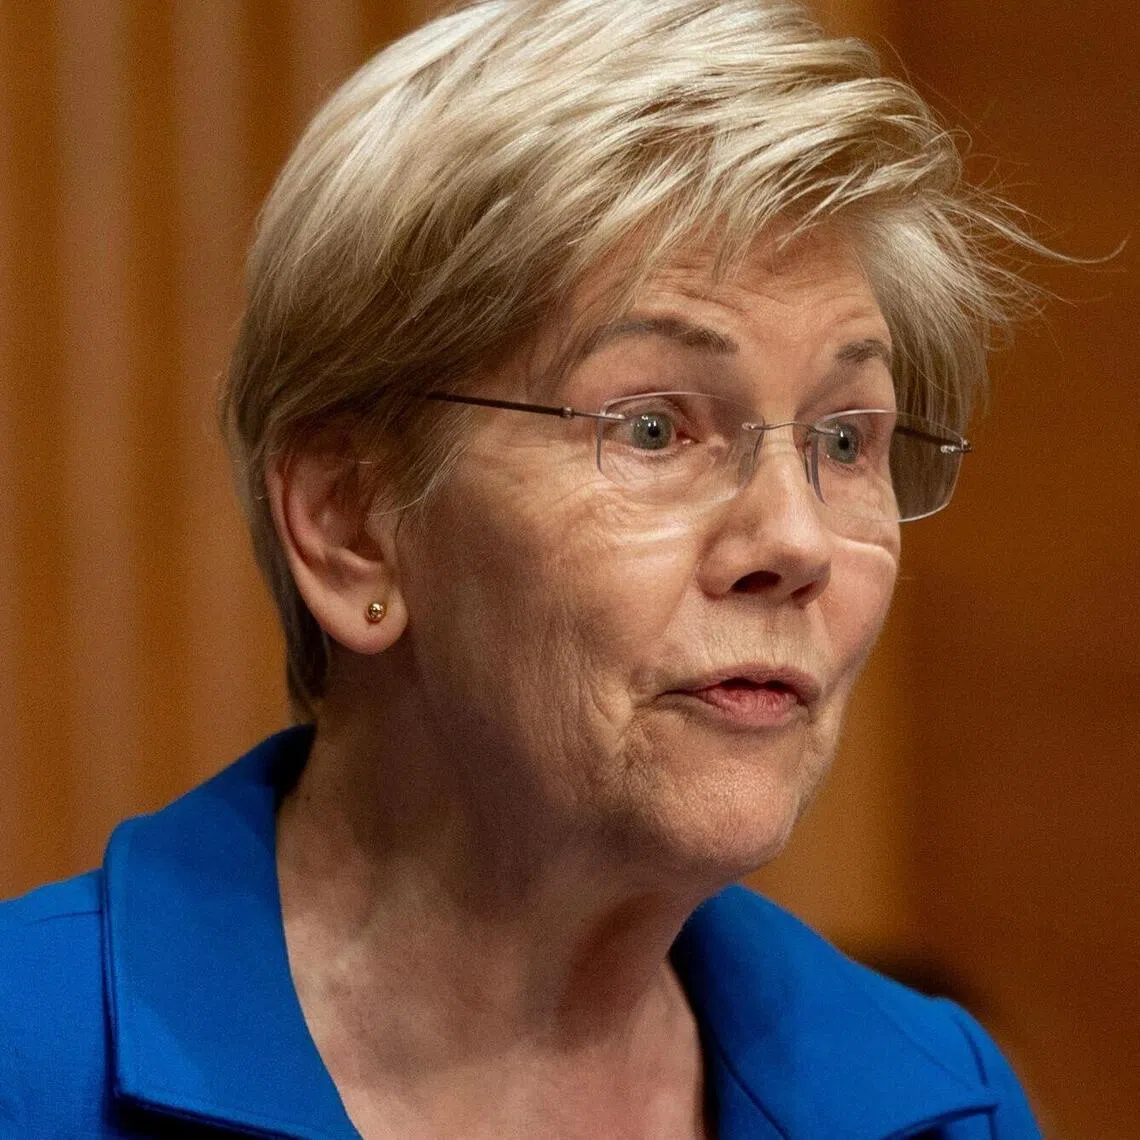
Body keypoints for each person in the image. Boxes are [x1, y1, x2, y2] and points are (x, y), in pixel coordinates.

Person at [0, 0, 1046, 1135]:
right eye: (653, 428)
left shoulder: (941, 1101)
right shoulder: (33, 1062)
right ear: (352, 523)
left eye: (846, 440)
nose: (793, 544)